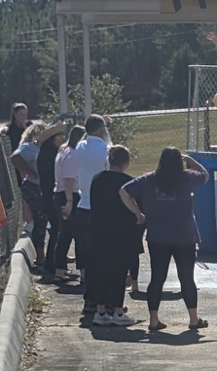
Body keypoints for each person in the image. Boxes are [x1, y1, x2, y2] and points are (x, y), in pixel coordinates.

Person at [120, 148, 209, 332]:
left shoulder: (149, 179)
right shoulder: (187, 178)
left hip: (158, 235)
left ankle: (154, 320)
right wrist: (190, 160)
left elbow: (123, 191)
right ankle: (193, 319)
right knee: (186, 278)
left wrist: (138, 213)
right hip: (184, 236)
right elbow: (205, 175)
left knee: (157, 277)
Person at [88, 146, 138, 327]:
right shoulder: (128, 182)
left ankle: (100, 310)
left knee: (101, 270)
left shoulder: (97, 179)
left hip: (99, 231)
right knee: (119, 272)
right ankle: (117, 310)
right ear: (125, 163)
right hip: (121, 233)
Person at [75, 115, 110, 304]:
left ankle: (89, 293)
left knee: (87, 251)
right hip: (100, 206)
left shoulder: (79, 148)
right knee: (102, 253)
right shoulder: (104, 149)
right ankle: (103, 296)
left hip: (83, 203)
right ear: (99, 129)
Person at [10, 122, 48, 265]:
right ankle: (40, 255)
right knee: (40, 219)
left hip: (41, 187)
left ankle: (48, 253)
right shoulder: (29, 147)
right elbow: (15, 158)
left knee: (46, 219)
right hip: (33, 187)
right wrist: (29, 172)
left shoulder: (42, 148)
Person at [52, 125, 85, 282]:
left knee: (65, 233)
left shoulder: (64, 151)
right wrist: (70, 201)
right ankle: (82, 270)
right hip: (68, 195)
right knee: (77, 234)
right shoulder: (72, 155)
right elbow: (69, 179)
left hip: (61, 194)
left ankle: (60, 268)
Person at [36, 123, 68, 275]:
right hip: (51, 196)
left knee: (56, 231)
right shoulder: (51, 156)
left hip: (48, 196)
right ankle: (52, 265)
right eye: (60, 137)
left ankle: (52, 264)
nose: (62, 140)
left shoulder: (46, 154)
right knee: (57, 231)